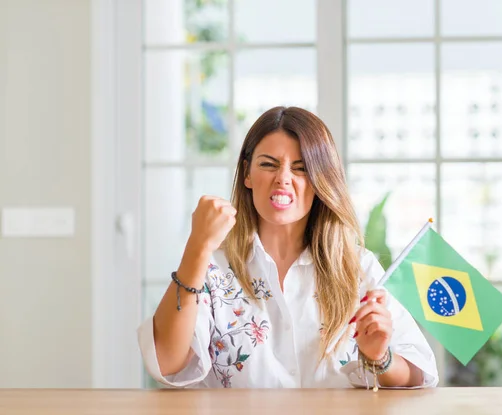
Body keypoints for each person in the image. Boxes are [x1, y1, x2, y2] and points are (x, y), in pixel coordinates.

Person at [138, 106, 438, 388]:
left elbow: (419, 373)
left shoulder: (357, 267)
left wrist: (379, 358)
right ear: (247, 173)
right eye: (268, 165)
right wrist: (197, 247)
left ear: (321, 180)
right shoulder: (213, 265)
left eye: (301, 168)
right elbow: (167, 365)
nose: (283, 178)